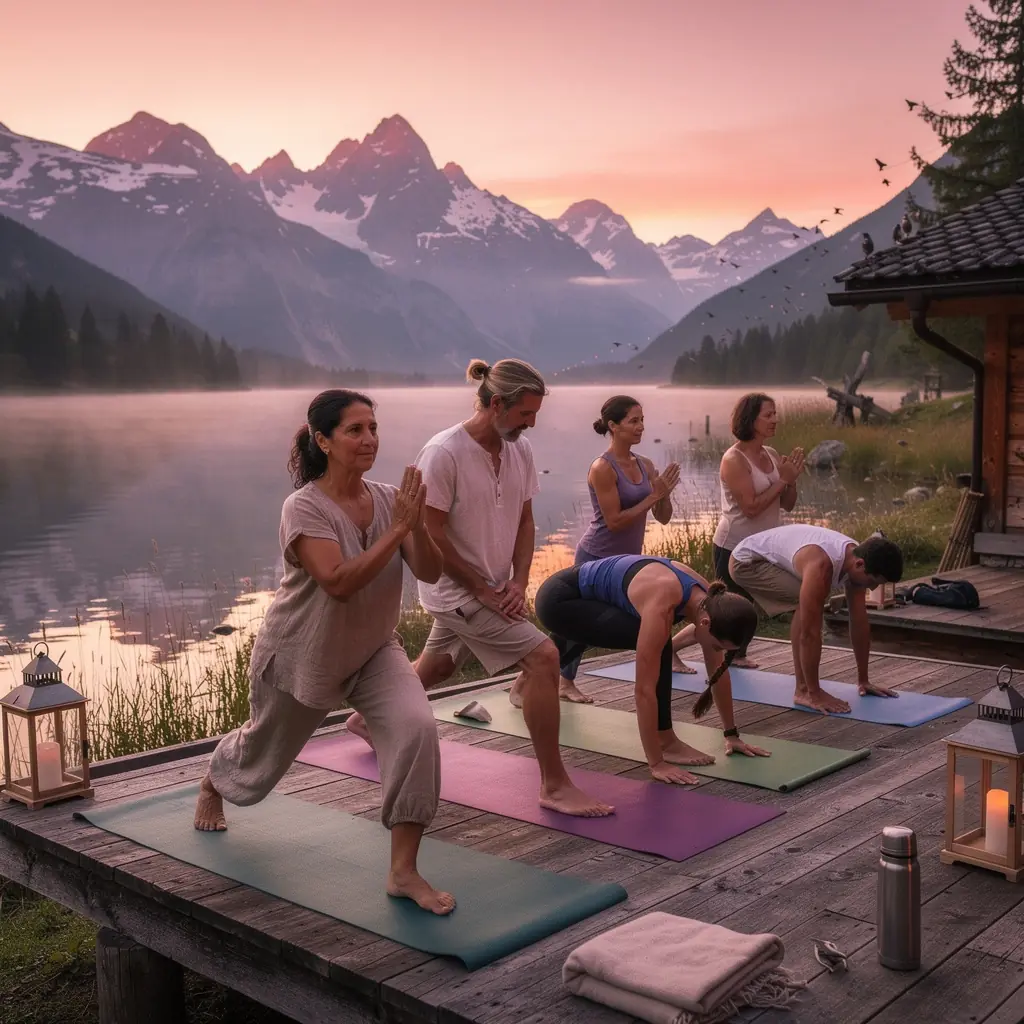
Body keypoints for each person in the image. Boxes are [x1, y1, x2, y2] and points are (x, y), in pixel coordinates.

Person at [193, 390, 456, 916]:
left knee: (417, 730)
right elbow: (337, 582)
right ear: (323, 441)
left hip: (375, 650)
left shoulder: (389, 501)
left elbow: (428, 571)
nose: (369, 439)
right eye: (355, 430)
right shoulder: (303, 507)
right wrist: (399, 530)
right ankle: (212, 782)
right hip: (302, 653)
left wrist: (416, 525)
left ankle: (403, 871)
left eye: (373, 428)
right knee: (261, 759)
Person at [346, 357, 614, 818]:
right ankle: (554, 783)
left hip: (494, 586)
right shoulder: (444, 452)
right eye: (525, 414)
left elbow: (526, 521)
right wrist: (480, 587)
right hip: (456, 591)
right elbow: (430, 533)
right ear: (495, 404)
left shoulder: (518, 450)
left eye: (535, 414)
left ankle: (363, 720)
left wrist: (519, 579)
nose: (531, 424)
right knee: (544, 656)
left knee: (441, 665)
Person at [536, 554, 771, 785]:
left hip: (588, 597)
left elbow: (718, 671)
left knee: (655, 639)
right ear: (705, 623)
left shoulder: (713, 604)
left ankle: (527, 680)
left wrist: (732, 735)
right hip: (558, 600)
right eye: (718, 645)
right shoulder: (664, 601)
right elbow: (644, 690)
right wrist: (656, 763)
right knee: (659, 645)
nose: (716, 650)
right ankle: (665, 743)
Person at [553, 395, 681, 703]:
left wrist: (663, 494)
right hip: (596, 556)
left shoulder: (646, 465)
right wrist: (653, 496)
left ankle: (547, 679)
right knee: (579, 625)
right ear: (613, 426)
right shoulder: (602, 468)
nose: (641, 427)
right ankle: (561, 681)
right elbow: (613, 522)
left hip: (628, 560)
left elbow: (663, 518)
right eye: (633, 421)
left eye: (642, 420)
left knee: (631, 616)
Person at [671, 392, 804, 672]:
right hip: (732, 546)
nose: (775, 420)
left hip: (763, 547)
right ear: (749, 419)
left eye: (775, 413)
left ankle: (737, 655)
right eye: (768, 415)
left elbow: (787, 505)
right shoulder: (734, 459)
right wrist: (782, 480)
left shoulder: (769, 454)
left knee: (746, 608)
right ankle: (670, 648)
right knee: (722, 613)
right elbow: (751, 508)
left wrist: (790, 482)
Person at [729, 524, 904, 715]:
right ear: (860, 564)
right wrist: (815, 692)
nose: (871, 589)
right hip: (747, 562)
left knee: (809, 597)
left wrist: (864, 680)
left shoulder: (858, 559)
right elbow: (809, 633)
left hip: (775, 559)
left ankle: (807, 689)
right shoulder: (822, 565)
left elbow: (859, 622)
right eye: (873, 582)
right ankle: (803, 691)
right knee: (804, 601)